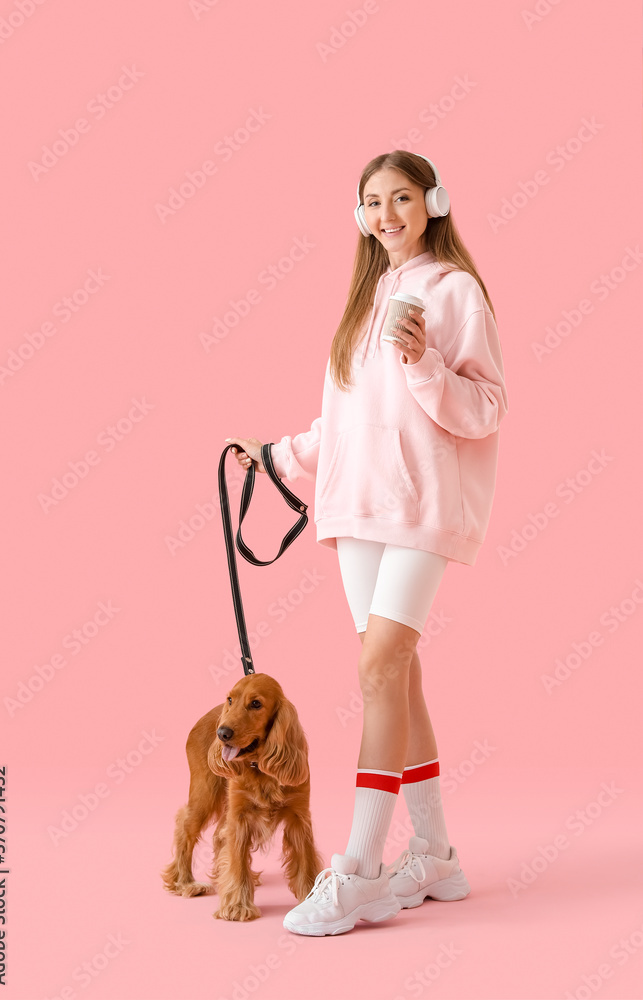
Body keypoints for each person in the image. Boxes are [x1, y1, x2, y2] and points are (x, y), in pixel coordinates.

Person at [224, 150, 508, 937]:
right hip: (355, 513)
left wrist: (421, 362)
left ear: (433, 203)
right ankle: (436, 852)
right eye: (372, 201)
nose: (386, 213)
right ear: (359, 215)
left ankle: (356, 868)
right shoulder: (361, 302)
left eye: (402, 197)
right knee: (399, 675)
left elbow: (484, 408)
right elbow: (343, 423)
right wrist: (275, 457)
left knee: (377, 666)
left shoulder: (456, 294)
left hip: (421, 507)